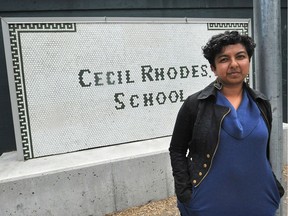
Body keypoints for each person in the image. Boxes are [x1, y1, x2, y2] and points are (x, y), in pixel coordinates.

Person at [169, 31, 284, 216]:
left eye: (240, 56)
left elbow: (263, 151)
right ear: (213, 67)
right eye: (224, 59)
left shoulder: (261, 103)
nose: (234, 64)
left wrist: (274, 187)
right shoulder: (196, 104)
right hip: (209, 203)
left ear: (248, 60)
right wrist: (185, 193)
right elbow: (177, 149)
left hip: (259, 200)